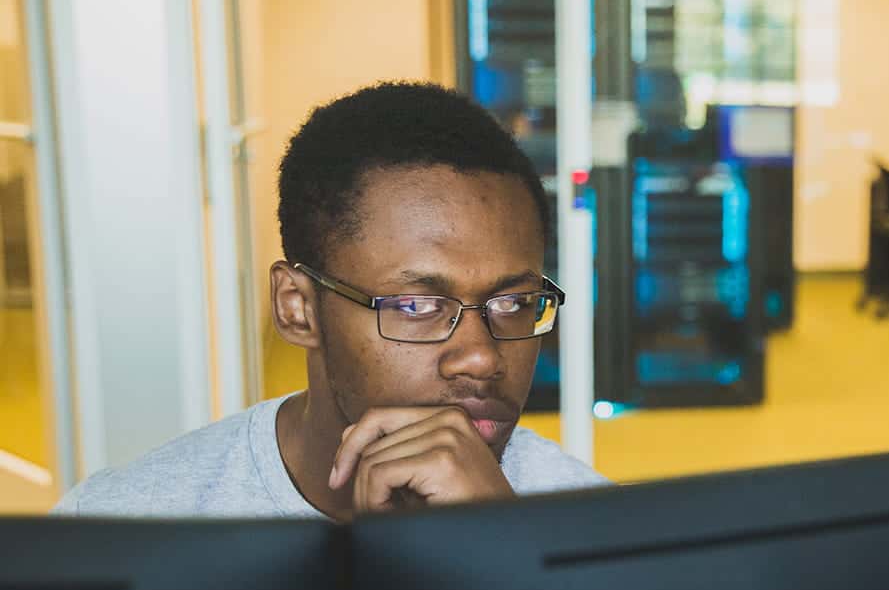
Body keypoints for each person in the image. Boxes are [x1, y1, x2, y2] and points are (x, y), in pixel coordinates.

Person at [53, 82, 608, 520]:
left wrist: (506, 551)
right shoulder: (128, 526)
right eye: (416, 306)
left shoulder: (594, 532)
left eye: (512, 303)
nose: (483, 358)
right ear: (298, 307)